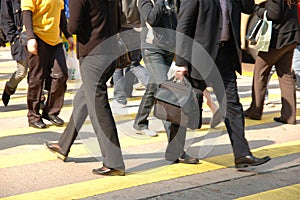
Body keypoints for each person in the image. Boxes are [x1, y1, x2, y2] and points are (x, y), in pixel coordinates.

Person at [175, 0, 271, 168]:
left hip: (225, 56)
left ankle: (242, 155)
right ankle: (175, 150)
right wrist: (181, 62)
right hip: (200, 57)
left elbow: (249, 9)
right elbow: (183, 27)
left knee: (232, 105)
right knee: (188, 107)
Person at [45, 0, 126, 176]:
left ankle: (114, 162)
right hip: (111, 52)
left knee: (99, 110)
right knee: (83, 99)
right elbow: (120, 21)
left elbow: (73, 27)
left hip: (93, 54)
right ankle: (63, 144)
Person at [134, 0, 199, 163]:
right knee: (167, 95)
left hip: (171, 50)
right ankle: (176, 150)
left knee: (155, 86)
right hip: (152, 50)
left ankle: (140, 122)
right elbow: (151, 19)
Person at [244, 0, 300, 124]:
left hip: (277, 39)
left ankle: (255, 111)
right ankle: (289, 116)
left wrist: (256, 9)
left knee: (260, 73)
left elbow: (273, 15)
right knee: (285, 75)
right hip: (291, 36)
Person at [21, 0, 74, 128]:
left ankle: (51, 112)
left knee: (61, 76)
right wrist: (31, 38)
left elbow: (61, 15)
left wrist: (68, 35)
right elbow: (26, 13)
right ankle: (33, 116)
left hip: (55, 41)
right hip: (37, 38)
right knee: (37, 79)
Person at [112, 0, 150, 108]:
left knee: (120, 65)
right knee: (133, 62)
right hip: (139, 27)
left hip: (123, 27)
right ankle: (127, 92)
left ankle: (120, 99)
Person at [1, 0, 27, 107]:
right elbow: (5, 20)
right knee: (22, 72)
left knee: (37, 72)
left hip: (36, 37)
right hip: (19, 38)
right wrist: (14, 39)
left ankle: (40, 100)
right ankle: (9, 88)